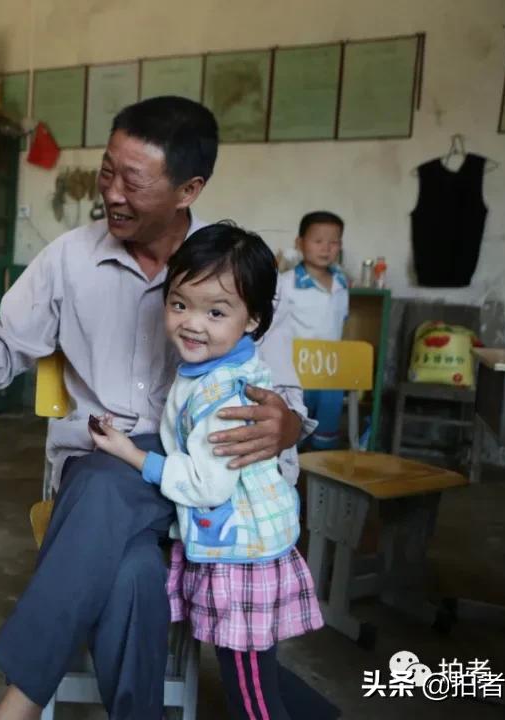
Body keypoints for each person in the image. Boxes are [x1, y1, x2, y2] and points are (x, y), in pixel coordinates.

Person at [0, 96, 320, 720]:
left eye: (134, 181)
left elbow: (287, 401)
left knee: (110, 496)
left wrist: (287, 425)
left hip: (209, 480)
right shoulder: (68, 260)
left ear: (189, 188)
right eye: (108, 171)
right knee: (131, 571)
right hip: (104, 463)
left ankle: (20, 699)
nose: (113, 193)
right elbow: (1, 355)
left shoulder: (237, 270)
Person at [90, 223, 323, 720]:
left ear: (254, 318)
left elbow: (205, 484)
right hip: (251, 541)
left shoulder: (222, 395)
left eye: (216, 312)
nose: (192, 324)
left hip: (240, 558)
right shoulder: (219, 366)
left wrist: (130, 453)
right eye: (179, 304)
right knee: (256, 677)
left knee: (251, 696)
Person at [276, 211, 349, 449]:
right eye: (318, 241)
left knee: (324, 441)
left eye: (333, 242)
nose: (326, 248)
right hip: (295, 375)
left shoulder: (342, 283)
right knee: (290, 438)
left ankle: (317, 484)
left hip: (331, 376)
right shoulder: (285, 283)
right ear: (300, 243)